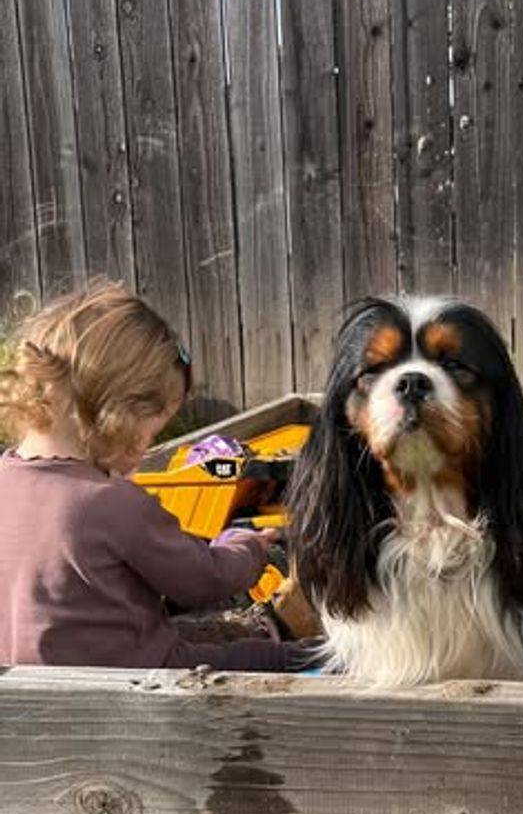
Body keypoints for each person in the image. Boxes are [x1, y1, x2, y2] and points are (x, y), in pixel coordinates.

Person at [0, 279, 313, 671]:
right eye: (154, 429)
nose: (147, 448)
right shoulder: (108, 502)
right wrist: (248, 546)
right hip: (130, 688)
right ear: (122, 414)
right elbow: (205, 579)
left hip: (29, 701)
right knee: (272, 657)